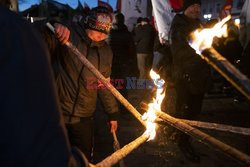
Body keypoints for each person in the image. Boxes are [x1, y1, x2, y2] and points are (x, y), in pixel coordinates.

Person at [0, 2, 88, 167]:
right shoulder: (14, 31)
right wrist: (52, 29)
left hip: (85, 113)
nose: (98, 35)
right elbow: (39, 146)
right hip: (64, 109)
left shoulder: (14, 30)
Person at [38, 6, 119, 161]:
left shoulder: (106, 51)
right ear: (88, 24)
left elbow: (104, 85)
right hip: (58, 113)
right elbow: (38, 37)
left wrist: (112, 113)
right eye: (97, 31)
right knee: (54, 157)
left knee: (83, 158)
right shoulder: (69, 36)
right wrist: (52, 25)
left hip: (84, 117)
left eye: (104, 33)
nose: (100, 36)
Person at [169, 0, 210, 162]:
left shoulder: (199, 25)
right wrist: (203, 55)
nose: (196, 9)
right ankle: (183, 142)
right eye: (192, 6)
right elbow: (180, 54)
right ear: (185, 8)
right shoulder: (179, 26)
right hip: (185, 78)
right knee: (185, 112)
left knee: (194, 112)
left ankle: (181, 136)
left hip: (199, 78)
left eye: (198, 6)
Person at [107, 12, 136, 113]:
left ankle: (113, 108)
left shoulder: (110, 32)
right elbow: (132, 50)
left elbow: (106, 47)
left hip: (112, 63)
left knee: (112, 86)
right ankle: (123, 108)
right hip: (122, 63)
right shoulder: (126, 33)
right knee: (122, 86)